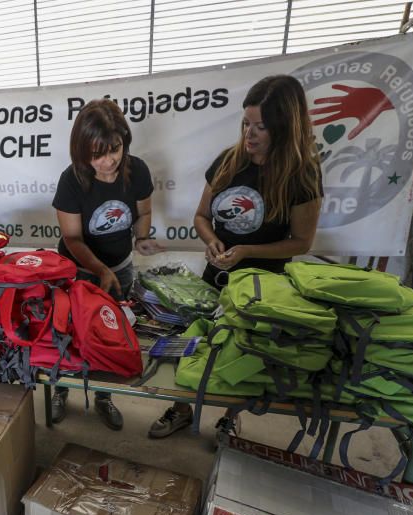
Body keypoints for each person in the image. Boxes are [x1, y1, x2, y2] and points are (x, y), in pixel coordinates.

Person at [148, 74, 323, 439]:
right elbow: (201, 216)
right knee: (195, 341)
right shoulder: (230, 160)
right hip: (217, 275)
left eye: (260, 126)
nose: (250, 135)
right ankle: (181, 406)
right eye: (246, 123)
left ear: (285, 128)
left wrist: (247, 251)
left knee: (244, 351)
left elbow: (301, 242)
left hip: (264, 286)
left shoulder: (302, 174)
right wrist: (211, 240)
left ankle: (230, 416)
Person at [51, 98, 165, 430]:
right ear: (83, 153)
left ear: (123, 141)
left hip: (121, 267)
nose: (107, 161)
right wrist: (100, 270)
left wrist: (142, 239)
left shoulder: (137, 169)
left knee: (109, 336)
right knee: (70, 336)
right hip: (79, 269)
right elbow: (72, 239)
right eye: (97, 155)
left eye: (113, 149)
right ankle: (60, 390)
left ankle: (103, 395)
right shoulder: (71, 181)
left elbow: (143, 212)